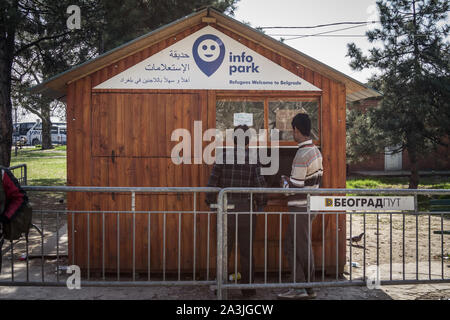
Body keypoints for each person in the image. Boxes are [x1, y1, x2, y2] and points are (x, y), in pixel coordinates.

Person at [206, 125, 267, 297]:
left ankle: (221, 286)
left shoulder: (222, 158)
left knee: (224, 250)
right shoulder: (253, 159)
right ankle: (248, 289)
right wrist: (261, 205)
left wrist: (210, 203)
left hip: (225, 210)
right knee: (246, 252)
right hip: (246, 210)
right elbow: (260, 186)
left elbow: (212, 184)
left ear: (234, 139)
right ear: (248, 140)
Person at [277, 113, 323, 300]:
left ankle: (305, 288)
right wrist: (291, 181)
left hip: (300, 207)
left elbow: (294, 188)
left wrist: (283, 182)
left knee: (298, 246)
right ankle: (302, 286)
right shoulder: (315, 151)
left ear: (297, 130)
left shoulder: (302, 154)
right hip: (310, 205)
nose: (292, 133)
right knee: (296, 244)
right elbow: (306, 182)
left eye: (292, 130)